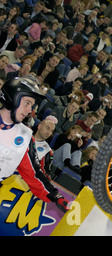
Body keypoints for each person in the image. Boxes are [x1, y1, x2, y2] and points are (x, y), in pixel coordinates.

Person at [0, 77, 69, 212]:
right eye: (26, 103)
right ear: (11, 98)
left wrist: (56, 196)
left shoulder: (24, 135)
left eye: (32, 106)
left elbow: (34, 174)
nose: (29, 110)